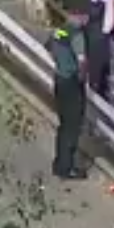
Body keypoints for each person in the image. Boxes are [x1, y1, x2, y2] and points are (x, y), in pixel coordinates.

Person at [47, 11, 89, 180]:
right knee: (72, 127)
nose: (86, 21)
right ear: (79, 16)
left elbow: (48, 47)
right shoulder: (77, 35)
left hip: (59, 80)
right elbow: (82, 60)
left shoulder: (59, 30)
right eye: (84, 17)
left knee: (64, 125)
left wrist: (61, 64)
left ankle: (59, 163)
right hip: (71, 84)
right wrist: (81, 77)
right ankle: (66, 168)